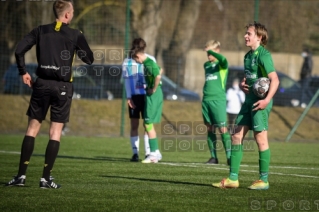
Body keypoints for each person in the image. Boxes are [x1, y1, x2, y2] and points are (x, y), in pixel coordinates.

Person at [5, 0, 94, 189]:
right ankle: (45, 178)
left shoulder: (40, 30)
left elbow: (19, 50)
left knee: (32, 129)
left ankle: (21, 176)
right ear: (68, 15)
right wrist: (77, 48)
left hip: (42, 85)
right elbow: (89, 59)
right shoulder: (75, 34)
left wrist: (23, 72)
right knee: (55, 132)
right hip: (62, 87)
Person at [212, 21, 279, 190]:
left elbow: (274, 80)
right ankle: (232, 179)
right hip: (248, 100)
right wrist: (244, 84)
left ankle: (264, 180)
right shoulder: (248, 56)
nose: (245, 36)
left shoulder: (263, 55)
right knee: (236, 136)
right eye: (246, 33)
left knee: (260, 139)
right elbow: (251, 79)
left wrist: (266, 100)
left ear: (260, 37)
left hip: (260, 103)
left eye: (249, 34)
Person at [122, 38, 158, 162]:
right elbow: (127, 80)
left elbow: (155, 76)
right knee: (135, 124)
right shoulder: (128, 61)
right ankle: (135, 153)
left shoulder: (150, 59)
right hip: (135, 96)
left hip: (147, 96)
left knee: (147, 124)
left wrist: (153, 91)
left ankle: (149, 153)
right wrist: (129, 96)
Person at [131, 38, 163, 163]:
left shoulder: (148, 63)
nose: (136, 62)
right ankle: (156, 152)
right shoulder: (148, 63)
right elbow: (160, 69)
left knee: (148, 124)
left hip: (153, 95)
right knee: (147, 123)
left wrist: (153, 88)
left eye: (135, 59)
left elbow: (158, 75)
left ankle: (154, 154)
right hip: (151, 94)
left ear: (138, 55)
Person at [202, 40, 232, 165]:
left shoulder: (222, 64)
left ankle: (230, 157)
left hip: (218, 100)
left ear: (218, 51)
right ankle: (213, 157)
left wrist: (210, 50)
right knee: (210, 128)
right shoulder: (206, 65)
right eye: (207, 51)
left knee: (222, 128)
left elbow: (224, 59)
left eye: (211, 51)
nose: (208, 55)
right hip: (206, 100)